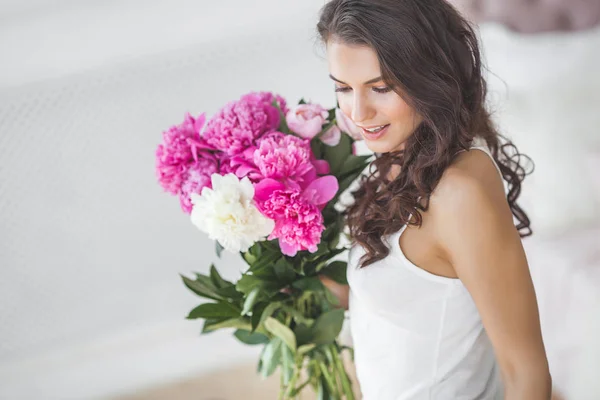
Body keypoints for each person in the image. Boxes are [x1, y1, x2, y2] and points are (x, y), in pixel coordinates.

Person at [315, 0, 553, 398]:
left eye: (381, 88)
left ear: (428, 76)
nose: (358, 112)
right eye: (342, 88)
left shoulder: (459, 195)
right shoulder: (397, 156)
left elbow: (526, 374)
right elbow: (414, 300)